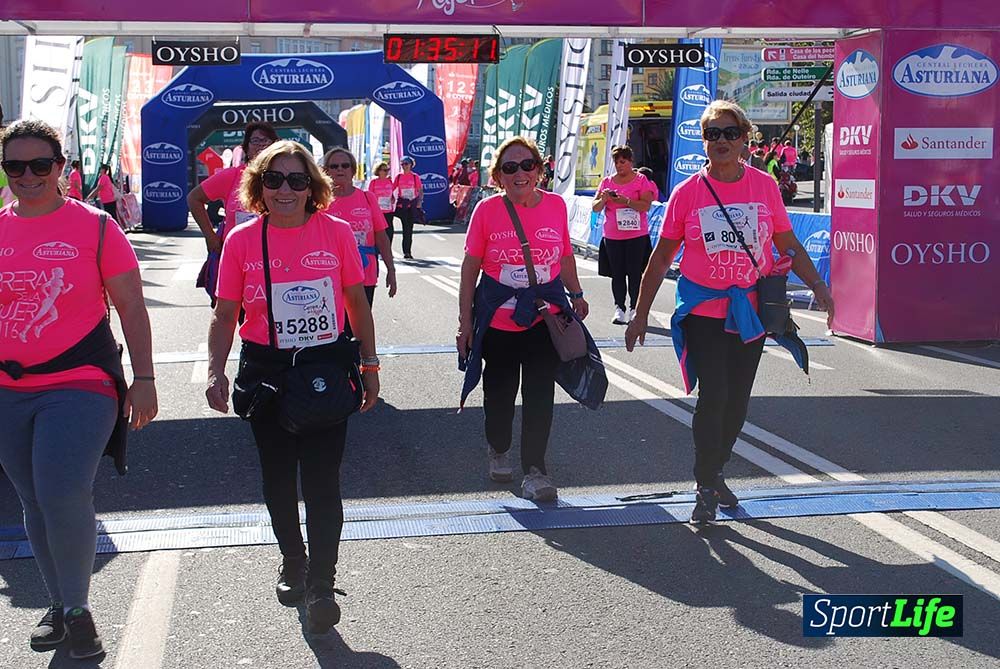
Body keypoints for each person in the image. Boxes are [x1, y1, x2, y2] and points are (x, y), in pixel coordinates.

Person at [623, 101, 833, 524]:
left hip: (750, 312)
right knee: (714, 395)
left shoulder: (763, 186)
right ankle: (705, 486)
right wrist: (640, 313)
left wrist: (818, 286)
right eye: (713, 133)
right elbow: (661, 258)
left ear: (744, 139)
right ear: (703, 141)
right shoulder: (687, 193)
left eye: (730, 132)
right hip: (703, 311)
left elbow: (787, 244)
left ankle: (716, 470)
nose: (721, 140)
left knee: (737, 402)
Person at [206, 140, 379, 635]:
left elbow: (356, 304)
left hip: (324, 366)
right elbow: (225, 313)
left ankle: (322, 583)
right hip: (267, 371)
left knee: (323, 481)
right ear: (259, 186)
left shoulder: (336, 231)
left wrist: (369, 365)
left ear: (312, 187)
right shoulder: (242, 239)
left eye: (297, 180)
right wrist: (216, 371)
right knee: (279, 479)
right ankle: (293, 561)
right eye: (274, 179)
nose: (285, 189)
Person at [0, 119, 157, 659]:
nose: (27, 176)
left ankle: (77, 610)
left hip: (80, 381)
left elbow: (131, 307)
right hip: (7, 388)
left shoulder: (95, 227)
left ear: (61, 167)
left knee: (62, 490)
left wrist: (144, 380)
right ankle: (60, 600)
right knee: (33, 499)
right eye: (14, 166)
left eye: (39, 165)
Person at [457, 136, 589, 501]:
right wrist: (465, 322)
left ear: (539, 171)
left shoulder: (556, 206)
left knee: (540, 395)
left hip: (544, 318)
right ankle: (498, 447)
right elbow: (470, 269)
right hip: (499, 321)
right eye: (510, 167)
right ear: (498, 176)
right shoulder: (487, 210)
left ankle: (535, 471)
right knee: (499, 394)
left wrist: (577, 293)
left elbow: (564, 256)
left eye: (527, 165)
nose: (520, 173)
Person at [187, 122, 278, 302]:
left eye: (265, 141)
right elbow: (194, 198)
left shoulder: (286, 177)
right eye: (255, 141)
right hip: (237, 259)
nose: (261, 145)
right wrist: (210, 236)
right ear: (246, 148)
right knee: (231, 311)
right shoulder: (232, 176)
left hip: (276, 258)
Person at [323, 147, 397, 313]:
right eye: (334, 166)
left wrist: (391, 270)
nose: (340, 169)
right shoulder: (319, 202)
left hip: (364, 271)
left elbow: (381, 237)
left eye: (345, 165)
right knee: (337, 325)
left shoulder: (367, 198)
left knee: (361, 323)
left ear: (353, 170)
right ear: (326, 171)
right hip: (331, 274)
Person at [592, 145, 657, 324]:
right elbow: (595, 207)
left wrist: (626, 201)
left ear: (630, 162)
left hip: (636, 236)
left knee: (635, 273)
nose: (619, 165)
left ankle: (634, 308)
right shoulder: (607, 182)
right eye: (616, 162)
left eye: (623, 162)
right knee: (617, 273)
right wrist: (604, 199)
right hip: (613, 236)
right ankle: (619, 308)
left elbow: (646, 205)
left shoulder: (641, 180)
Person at [393, 155, 423, 259]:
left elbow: (420, 190)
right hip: (402, 206)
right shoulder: (399, 177)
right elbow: (391, 188)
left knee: (409, 229)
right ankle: (405, 251)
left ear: (411, 165)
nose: (404, 166)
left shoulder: (415, 177)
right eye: (402, 164)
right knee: (404, 227)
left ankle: (407, 252)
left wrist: (419, 202)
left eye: (406, 164)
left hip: (412, 206)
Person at [367, 162, 396, 243]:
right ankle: (378, 248)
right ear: (379, 171)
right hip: (378, 211)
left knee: (389, 231)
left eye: (388, 170)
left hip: (388, 210)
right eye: (384, 170)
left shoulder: (390, 182)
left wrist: (393, 199)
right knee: (378, 231)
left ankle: (388, 248)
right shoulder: (374, 182)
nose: (386, 172)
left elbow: (392, 195)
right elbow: (370, 197)